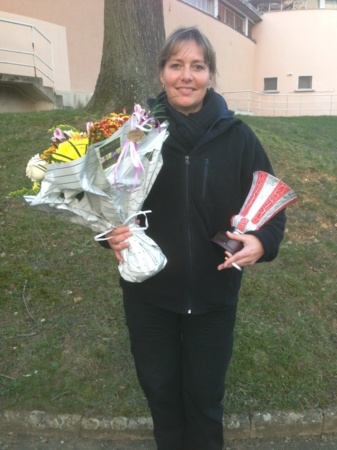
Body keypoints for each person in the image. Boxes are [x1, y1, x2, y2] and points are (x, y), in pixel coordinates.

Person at [103, 27, 286, 450]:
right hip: (149, 296)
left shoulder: (238, 138)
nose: (186, 76)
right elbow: (105, 202)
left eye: (197, 67)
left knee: (204, 400)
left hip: (213, 296)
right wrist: (109, 237)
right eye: (176, 65)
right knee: (162, 396)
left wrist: (262, 242)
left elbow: (271, 202)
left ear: (210, 76)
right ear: (161, 73)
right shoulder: (135, 134)